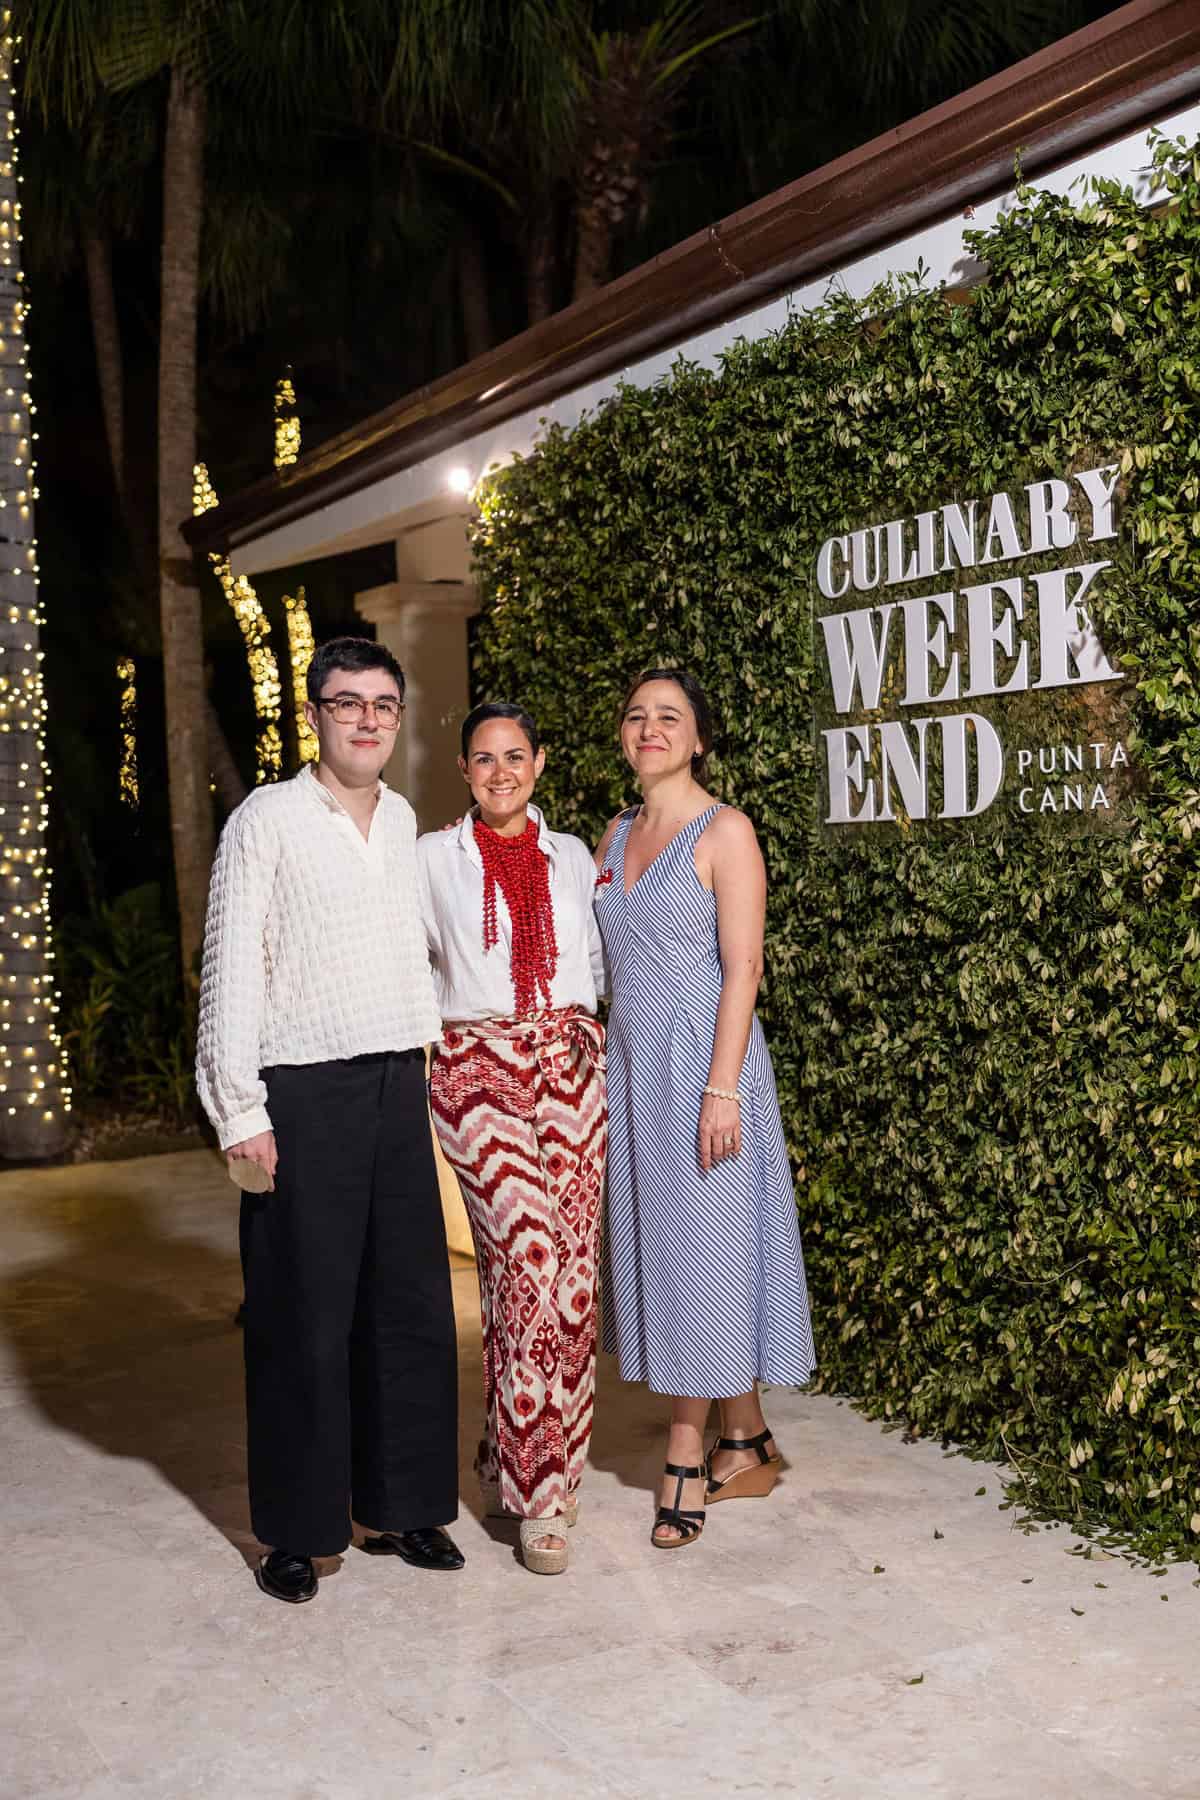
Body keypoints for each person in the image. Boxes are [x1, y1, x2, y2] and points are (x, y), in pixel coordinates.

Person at [196, 636, 462, 1604]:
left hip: (397, 1079)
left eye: (382, 704)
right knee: (302, 1319)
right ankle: (298, 1532)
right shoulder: (266, 820)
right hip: (300, 1093)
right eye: (346, 702)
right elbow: (228, 968)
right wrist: (240, 1109)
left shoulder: (400, 822)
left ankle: (402, 1507)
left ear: (395, 717)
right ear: (314, 714)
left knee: (409, 1310)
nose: (365, 719)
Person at [594, 668, 816, 1550]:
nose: (651, 728)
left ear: (698, 740)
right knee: (687, 1252)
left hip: (704, 1069)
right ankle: (747, 1438)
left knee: (702, 1253)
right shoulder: (613, 835)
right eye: (637, 714)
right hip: (633, 1068)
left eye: (670, 717)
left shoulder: (726, 830)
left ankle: (686, 1447)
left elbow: (744, 968)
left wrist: (720, 1087)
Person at [417, 703, 607, 1575]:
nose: (501, 771)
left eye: (516, 756)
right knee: (527, 1254)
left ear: (540, 762)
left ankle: (512, 1450)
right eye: (484, 759)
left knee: (564, 1275)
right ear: (463, 770)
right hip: (478, 1067)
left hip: (570, 1065)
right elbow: (410, 965)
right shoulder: (430, 860)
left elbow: (599, 964)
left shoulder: (572, 855)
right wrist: (441, 1047)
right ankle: (543, 1500)